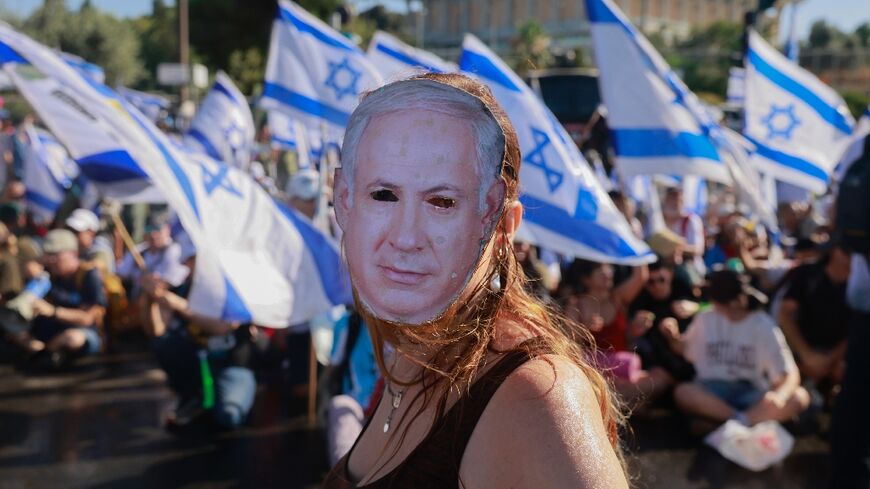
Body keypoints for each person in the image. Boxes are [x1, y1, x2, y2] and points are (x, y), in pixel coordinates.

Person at [322, 73, 628, 488]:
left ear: (503, 225)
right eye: (383, 195)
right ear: (345, 201)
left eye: (443, 201)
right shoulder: (410, 352)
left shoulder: (535, 397)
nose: (405, 237)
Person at [663, 269, 810, 429]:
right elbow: (686, 350)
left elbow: (790, 374)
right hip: (712, 392)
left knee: (799, 397)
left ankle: (724, 425)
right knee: (684, 392)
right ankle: (746, 423)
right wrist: (672, 337)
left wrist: (779, 396)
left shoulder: (763, 325)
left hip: (751, 391)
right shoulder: (706, 318)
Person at [141, 241, 258, 430]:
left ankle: (224, 398)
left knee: (230, 415)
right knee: (165, 345)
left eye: (195, 260)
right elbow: (157, 331)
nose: (191, 265)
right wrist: (150, 298)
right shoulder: (187, 288)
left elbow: (225, 327)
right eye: (190, 261)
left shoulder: (232, 289)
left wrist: (181, 306)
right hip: (198, 365)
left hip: (231, 366)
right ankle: (192, 396)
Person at [22, 229, 107, 367]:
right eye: (48, 255)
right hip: (47, 331)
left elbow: (88, 318)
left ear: (73, 253)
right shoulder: (46, 273)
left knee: (73, 338)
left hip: (81, 333)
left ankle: (45, 353)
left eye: (56, 254)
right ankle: (46, 352)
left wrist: (53, 311)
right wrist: (29, 273)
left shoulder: (88, 275)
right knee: (15, 331)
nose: (51, 260)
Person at [777, 244, 851, 386]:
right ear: (834, 250)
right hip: (800, 355)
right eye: (847, 251)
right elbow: (785, 314)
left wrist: (833, 359)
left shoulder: (862, 282)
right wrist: (806, 355)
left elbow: (860, 327)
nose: (852, 258)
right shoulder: (807, 273)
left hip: (840, 359)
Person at [629, 260, 699, 383]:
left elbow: (713, 306)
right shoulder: (641, 301)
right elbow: (630, 339)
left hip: (692, 360)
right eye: (651, 282)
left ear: (670, 275)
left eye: (661, 279)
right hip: (658, 364)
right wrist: (634, 330)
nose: (657, 286)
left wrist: (695, 307)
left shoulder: (682, 289)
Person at [65, 208, 115, 274]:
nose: (71, 234)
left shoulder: (100, 251)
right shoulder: (71, 247)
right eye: (69, 230)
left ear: (91, 233)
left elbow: (98, 273)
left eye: (76, 231)